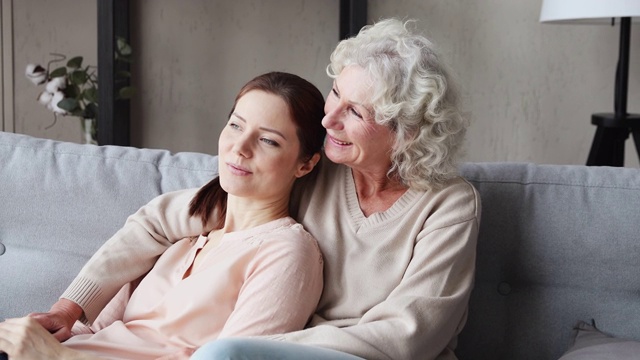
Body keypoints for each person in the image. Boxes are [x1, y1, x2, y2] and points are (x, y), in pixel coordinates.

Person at [10, 18, 480, 360]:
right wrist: (71, 308)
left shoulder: (448, 204)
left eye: (355, 113)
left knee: (223, 356)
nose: (328, 118)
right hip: (271, 350)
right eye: (336, 93)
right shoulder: (319, 169)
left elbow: (410, 333)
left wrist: (262, 344)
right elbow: (170, 218)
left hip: (365, 357)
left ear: (406, 132)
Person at [0, 71, 328, 359]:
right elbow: (96, 333)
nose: (239, 147)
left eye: (269, 140)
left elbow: (232, 358)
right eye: (235, 126)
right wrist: (45, 338)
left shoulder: (287, 252)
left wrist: (57, 357)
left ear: (306, 163)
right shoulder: (182, 237)